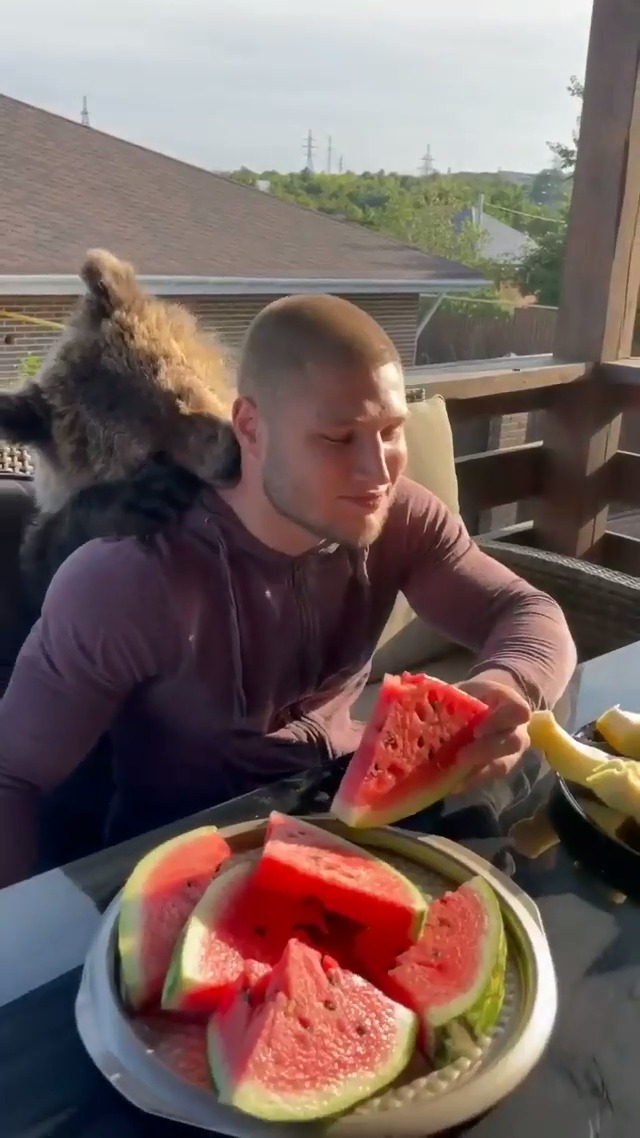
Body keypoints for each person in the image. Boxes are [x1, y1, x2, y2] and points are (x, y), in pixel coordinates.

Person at [0, 296, 576, 887]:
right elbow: (13, 777)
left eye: (390, 431)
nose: (378, 471)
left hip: (348, 818)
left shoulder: (400, 515)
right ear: (250, 427)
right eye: (339, 438)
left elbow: (525, 610)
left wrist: (508, 685)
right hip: (188, 860)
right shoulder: (127, 580)